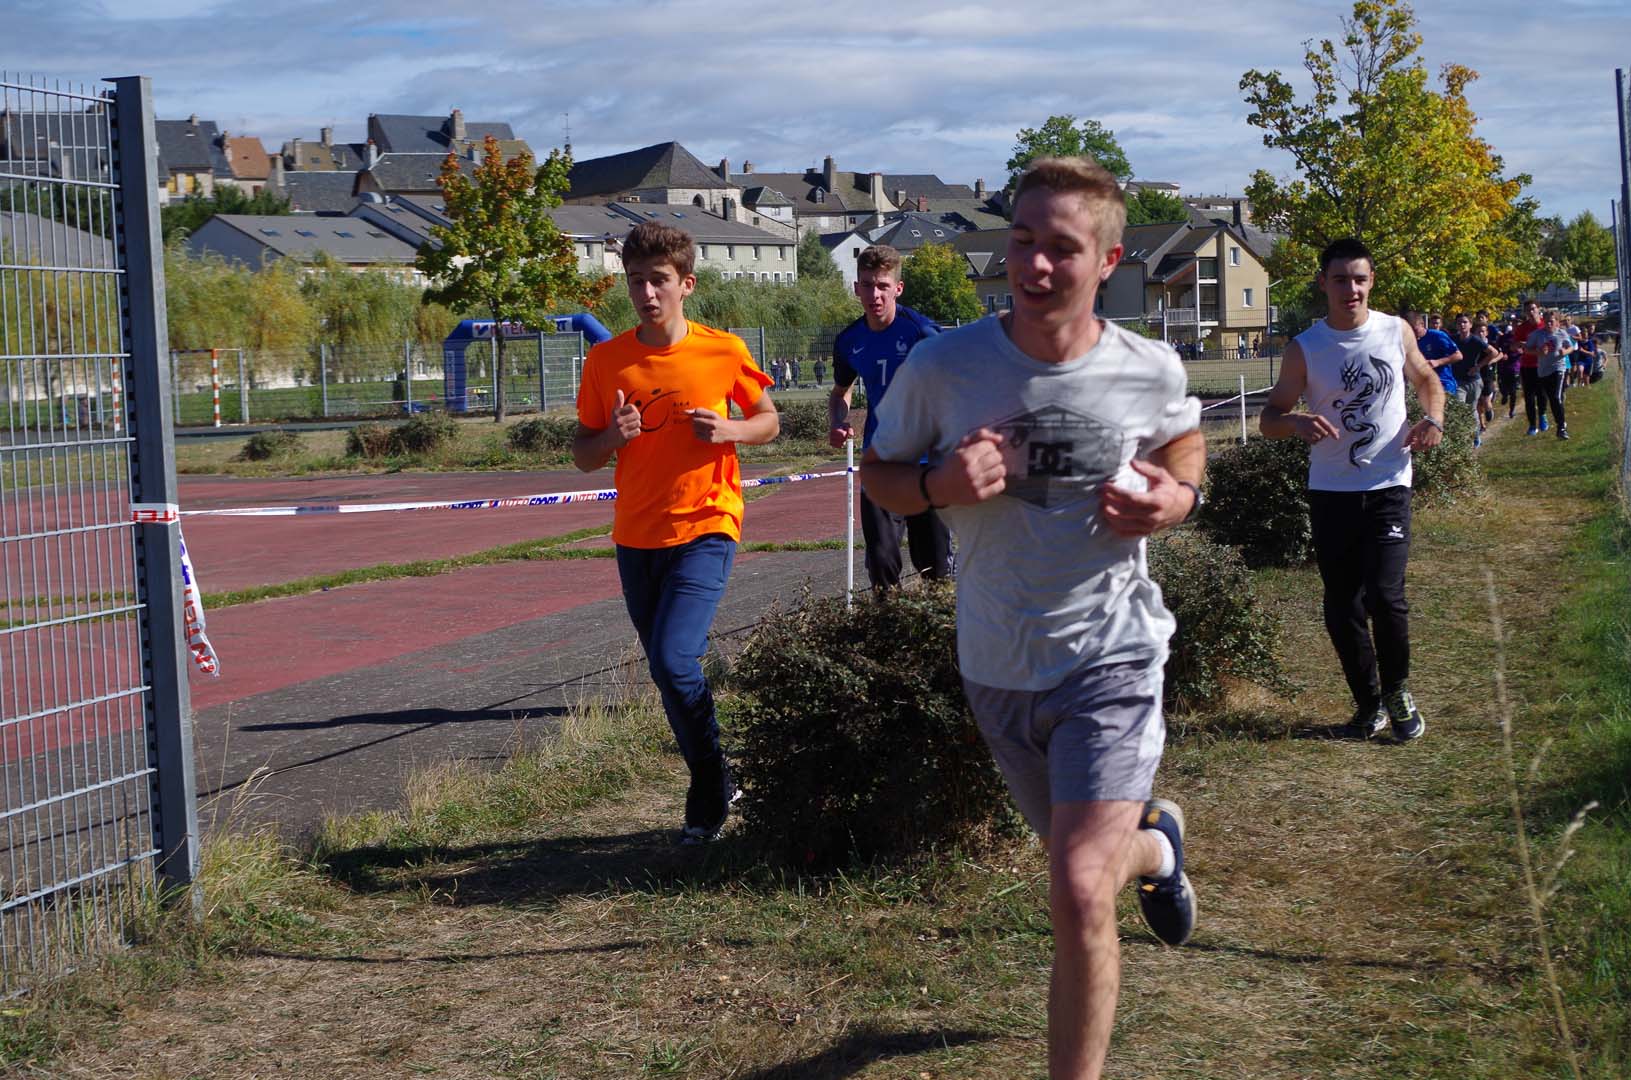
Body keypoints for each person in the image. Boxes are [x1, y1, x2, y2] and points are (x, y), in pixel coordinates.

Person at [861, 157, 1203, 1080]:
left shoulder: (1145, 366)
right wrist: (934, 484)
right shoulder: (944, 367)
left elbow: (1181, 438)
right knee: (1082, 866)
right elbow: (879, 478)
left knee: (1075, 892)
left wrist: (1178, 497)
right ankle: (1157, 850)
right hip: (998, 664)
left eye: (1062, 248)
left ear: (1107, 260)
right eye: (1023, 241)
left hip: (1113, 656)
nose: (1036, 265)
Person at [572, 220, 779, 845]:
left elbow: (768, 419)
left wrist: (732, 431)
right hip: (636, 536)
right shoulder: (608, 360)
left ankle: (708, 790)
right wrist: (613, 437)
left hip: (708, 525)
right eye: (637, 282)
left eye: (659, 281)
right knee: (667, 670)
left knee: (672, 656)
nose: (647, 294)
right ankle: (719, 774)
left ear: (685, 284)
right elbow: (583, 453)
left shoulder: (722, 350)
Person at [1260, 238, 1444, 743]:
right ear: (1323, 284)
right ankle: (1368, 703)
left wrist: (1432, 419)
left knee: (1386, 595)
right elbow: (1269, 418)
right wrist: (1296, 423)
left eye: (1360, 279)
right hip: (1331, 490)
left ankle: (1399, 690)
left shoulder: (1394, 331)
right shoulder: (1306, 347)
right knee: (1342, 603)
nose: (1351, 289)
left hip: (1388, 483)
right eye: (1340, 279)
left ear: (1371, 282)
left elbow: (1428, 378)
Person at [829, 244, 954, 590]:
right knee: (882, 566)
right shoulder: (849, 341)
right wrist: (837, 422)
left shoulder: (921, 332)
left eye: (883, 285)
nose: (875, 294)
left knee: (936, 573)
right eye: (867, 285)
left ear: (898, 288)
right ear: (856, 289)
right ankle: (886, 635)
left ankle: (942, 638)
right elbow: (841, 393)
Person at [1449, 313, 1498, 447]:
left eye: (1465, 322)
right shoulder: (1452, 339)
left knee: (1471, 410)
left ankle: (1475, 436)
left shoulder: (1475, 340)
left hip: (1473, 381)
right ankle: (1462, 440)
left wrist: (1478, 366)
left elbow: (1493, 352)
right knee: (1459, 409)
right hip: (1458, 380)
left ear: (1470, 325)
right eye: (1459, 322)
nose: (1462, 325)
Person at [1525, 309, 1574, 440]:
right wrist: (1538, 352)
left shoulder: (1562, 334)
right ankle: (1560, 424)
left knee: (1556, 397)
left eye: (1551, 322)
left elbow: (1571, 347)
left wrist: (1565, 351)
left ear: (1557, 322)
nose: (1549, 324)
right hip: (1543, 371)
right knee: (1551, 399)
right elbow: (1526, 349)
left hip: (1559, 368)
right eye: (1546, 322)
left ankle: (1562, 428)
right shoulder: (1537, 335)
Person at [1512, 300, 1548, 434]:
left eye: (1533, 309)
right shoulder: (1522, 328)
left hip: (1543, 365)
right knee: (1529, 396)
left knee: (1542, 394)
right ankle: (1532, 425)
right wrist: (1520, 344)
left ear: (1539, 309)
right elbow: (1513, 346)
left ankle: (1543, 415)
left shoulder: (1546, 324)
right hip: (1527, 365)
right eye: (1528, 310)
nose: (1531, 312)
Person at [1408, 309, 1461, 398]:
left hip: (1444, 383)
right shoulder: (1411, 341)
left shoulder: (1437, 336)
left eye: (1415, 329)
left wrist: (1438, 362)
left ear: (1422, 324)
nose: (1413, 333)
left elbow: (1458, 355)